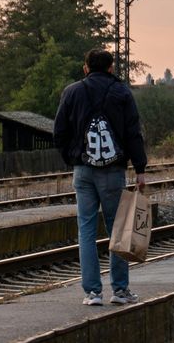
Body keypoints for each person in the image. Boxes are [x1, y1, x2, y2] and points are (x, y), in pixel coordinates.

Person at [53, 49, 147, 306]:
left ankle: (92, 293)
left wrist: (73, 157)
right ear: (110, 68)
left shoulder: (71, 92)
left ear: (86, 68)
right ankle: (120, 290)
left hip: (83, 171)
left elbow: (59, 132)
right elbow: (133, 133)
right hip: (113, 172)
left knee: (85, 229)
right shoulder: (121, 92)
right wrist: (140, 169)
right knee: (118, 230)